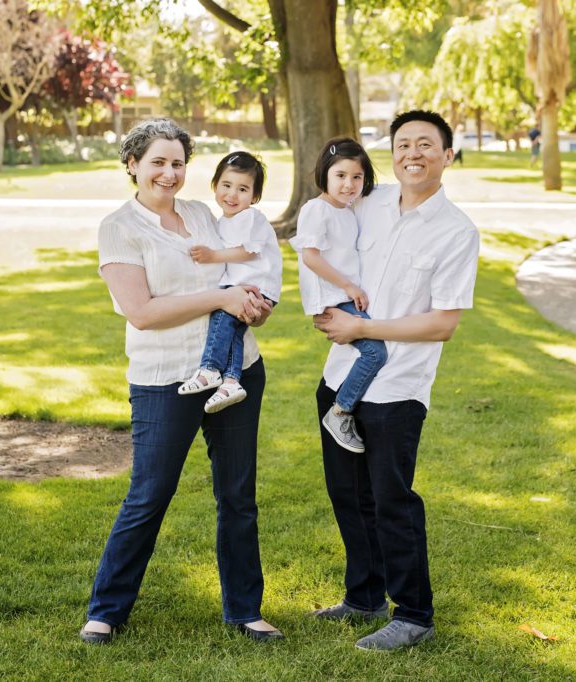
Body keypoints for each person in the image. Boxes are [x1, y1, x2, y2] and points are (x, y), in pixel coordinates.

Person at [81, 119, 283, 645]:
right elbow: (142, 312)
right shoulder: (119, 226)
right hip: (165, 379)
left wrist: (252, 307)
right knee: (149, 494)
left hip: (237, 373)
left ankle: (244, 609)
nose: (169, 174)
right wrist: (220, 299)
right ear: (132, 165)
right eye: (157, 163)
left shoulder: (202, 215)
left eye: (177, 163)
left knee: (237, 495)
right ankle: (106, 610)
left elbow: (238, 278)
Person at [310, 110, 480, 651]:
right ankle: (363, 597)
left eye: (426, 145)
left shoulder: (456, 231)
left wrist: (364, 328)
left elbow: (443, 322)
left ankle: (414, 614)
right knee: (347, 496)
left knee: (391, 500)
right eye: (403, 143)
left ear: (447, 156)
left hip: (398, 387)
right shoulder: (367, 202)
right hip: (339, 375)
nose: (414, 153)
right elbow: (320, 238)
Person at [290, 138, 386, 454]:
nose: (349, 184)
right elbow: (311, 257)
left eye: (356, 177)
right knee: (376, 353)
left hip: (344, 292)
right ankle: (340, 411)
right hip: (334, 296)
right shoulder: (317, 210)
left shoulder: (347, 210)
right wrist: (349, 287)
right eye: (340, 176)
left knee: (374, 350)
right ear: (325, 176)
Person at [179, 152, 282, 414]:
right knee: (235, 330)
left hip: (254, 285)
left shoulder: (251, 218)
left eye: (243, 189)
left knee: (222, 316)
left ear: (254, 197)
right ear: (215, 186)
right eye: (226, 185)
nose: (232, 195)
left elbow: (248, 251)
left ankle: (210, 368)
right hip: (245, 285)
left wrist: (214, 256)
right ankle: (232, 381)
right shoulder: (226, 221)